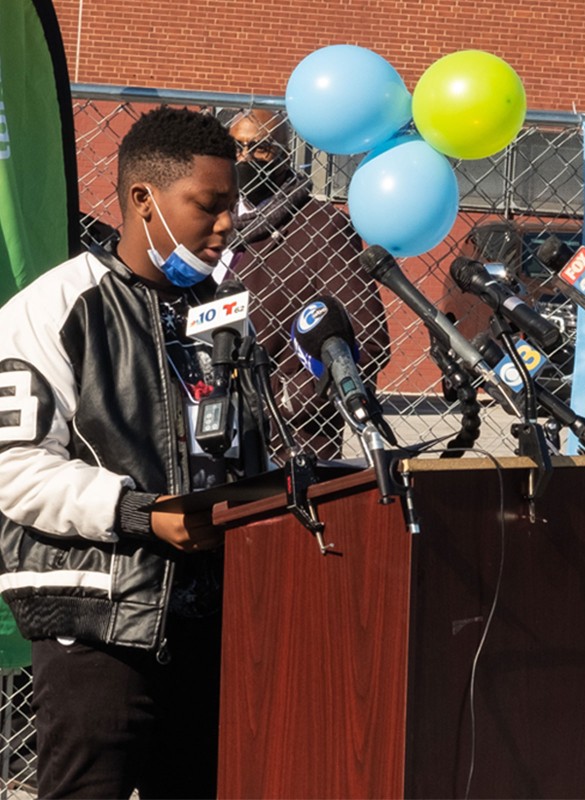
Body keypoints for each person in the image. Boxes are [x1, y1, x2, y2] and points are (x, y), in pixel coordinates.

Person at [0, 107, 270, 799]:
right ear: (144, 200)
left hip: (215, 623)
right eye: (208, 206)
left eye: (232, 208)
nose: (226, 225)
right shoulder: (54, 307)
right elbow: (14, 469)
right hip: (101, 626)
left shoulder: (225, 313)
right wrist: (143, 514)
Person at [222, 107, 390, 461]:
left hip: (292, 445)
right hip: (214, 433)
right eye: (236, 148)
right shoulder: (212, 222)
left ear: (286, 155)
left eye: (260, 148)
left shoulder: (321, 226)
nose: (245, 158)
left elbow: (369, 337)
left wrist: (286, 399)